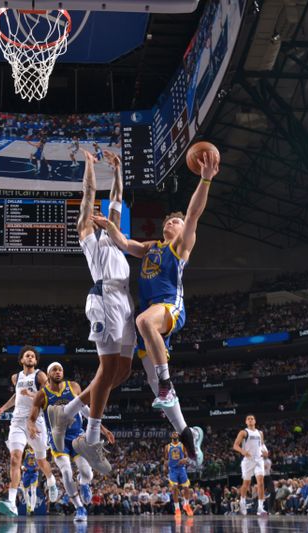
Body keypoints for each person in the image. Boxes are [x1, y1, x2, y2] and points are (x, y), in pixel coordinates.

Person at [90, 149, 219, 465]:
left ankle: (166, 384)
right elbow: (124, 243)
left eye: (175, 220)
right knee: (148, 374)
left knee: (143, 322)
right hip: (153, 319)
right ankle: (190, 436)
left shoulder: (180, 246)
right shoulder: (151, 247)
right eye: (170, 220)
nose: (173, 222)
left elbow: (193, 213)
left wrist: (204, 179)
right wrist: (108, 225)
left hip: (168, 307)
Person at [47, 150, 133, 475]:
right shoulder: (87, 234)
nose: (98, 211)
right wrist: (90, 165)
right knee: (107, 368)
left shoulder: (113, 231)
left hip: (124, 300)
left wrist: (119, 168)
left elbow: (117, 195)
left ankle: (66, 412)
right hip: (103, 296)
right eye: (92, 211)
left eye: (101, 211)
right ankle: (89, 437)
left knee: (122, 372)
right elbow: (89, 195)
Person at [29, 361, 115, 524]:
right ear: (48, 374)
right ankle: (79, 508)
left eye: (60, 369)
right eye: (54, 369)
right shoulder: (42, 394)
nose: (58, 372)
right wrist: (31, 426)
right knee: (67, 473)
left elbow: (84, 409)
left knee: (87, 473)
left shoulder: (73, 386)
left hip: (77, 436)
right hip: (57, 440)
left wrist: (103, 428)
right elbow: (31, 418)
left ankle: (84, 484)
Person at [0, 345, 59, 516]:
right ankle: (11, 503)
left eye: (32, 356)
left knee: (41, 460)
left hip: (36, 420)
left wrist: (31, 394)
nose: (30, 358)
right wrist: (3, 408)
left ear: (36, 361)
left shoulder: (40, 375)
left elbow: (48, 395)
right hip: (17, 421)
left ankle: (51, 481)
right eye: (27, 356)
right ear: (21, 359)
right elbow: (17, 396)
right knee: (15, 459)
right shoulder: (16, 377)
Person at [232, 414, 269, 516]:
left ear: (255, 421)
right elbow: (235, 445)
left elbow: (262, 445)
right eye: (248, 419)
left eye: (252, 419)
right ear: (246, 422)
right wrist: (243, 451)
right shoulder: (243, 432)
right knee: (246, 484)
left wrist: (266, 452)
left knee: (261, 483)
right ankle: (242, 501)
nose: (250, 420)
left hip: (259, 460)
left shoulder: (260, 433)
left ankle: (261, 508)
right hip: (248, 460)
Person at [166, 431, 193, 518]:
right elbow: (165, 458)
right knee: (174, 488)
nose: (174, 434)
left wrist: (185, 459)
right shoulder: (167, 446)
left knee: (186, 488)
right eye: (173, 433)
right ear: (171, 436)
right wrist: (165, 466)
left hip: (181, 469)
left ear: (178, 435)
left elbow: (187, 457)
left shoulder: (182, 445)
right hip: (173, 469)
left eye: (176, 433)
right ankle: (177, 509)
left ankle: (186, 505)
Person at [20, 449, 40, 515]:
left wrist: (39, 467)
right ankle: (28, 505)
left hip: (34, 472)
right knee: (25, 491)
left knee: (33, 491)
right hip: (26, 472)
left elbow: (42, 461)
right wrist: (22, 467)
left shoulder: (38, 449)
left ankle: (32, 509)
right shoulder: (25, 450)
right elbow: (20, 461)